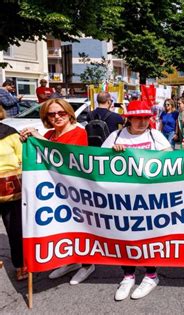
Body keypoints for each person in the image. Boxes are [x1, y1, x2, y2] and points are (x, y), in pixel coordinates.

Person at [101, 100, 172, 301]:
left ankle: (151, 274)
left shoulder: (156, 136)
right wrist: (111, 153)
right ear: (129, 119)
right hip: (123, 200)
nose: (142, 122)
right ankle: (128, 275)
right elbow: (98, 162)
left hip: (150, 200)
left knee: (148, 237)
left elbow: (172, 161)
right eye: (137, 118)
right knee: (124, 235)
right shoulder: (115, 136)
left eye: (145, 118)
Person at [19, 98, 91, 283]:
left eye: (61, 113)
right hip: (54, 192)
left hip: (75, 191)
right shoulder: (50, 134)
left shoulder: (78, 132)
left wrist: (37, 137)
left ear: (69, 113)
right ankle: (70, 261)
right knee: (63, 226)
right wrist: (27, 142)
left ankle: (86, 264)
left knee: (78, 227)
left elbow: (62, 155)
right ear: (46, 117)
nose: (57, 117)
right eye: (52, 114)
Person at [0, 105, 26, 281]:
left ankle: (20, 265)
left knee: (14, 228)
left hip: (9, 190)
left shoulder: (10, 133)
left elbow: (23, 159)